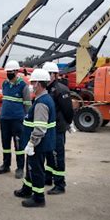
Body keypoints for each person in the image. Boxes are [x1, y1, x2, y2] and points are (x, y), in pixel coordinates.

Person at [13, 69, 56, 208]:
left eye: (32, 82)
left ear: (38, 84)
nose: (31, 85)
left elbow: (39, 128)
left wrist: (32, 143)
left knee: (36, 169)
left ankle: (38, 198)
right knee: (30, 166)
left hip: (38, 144)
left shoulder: (41, 103)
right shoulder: (42, 99)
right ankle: (27, 189)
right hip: (39, 143)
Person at [0, 60, 31, 179]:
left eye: (10, 72)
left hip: (17, 120)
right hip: (5, 119)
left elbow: (27, 104)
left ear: (16, 71)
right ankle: (6, 165)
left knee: (19, 145)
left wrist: (26, 119)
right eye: (7, 72)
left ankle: (20, 168)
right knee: (5, 143)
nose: (8, 74)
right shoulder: (5, 84)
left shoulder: (23, 86)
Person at [42, 62, 74, 195]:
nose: (48, 77)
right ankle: (48, 178)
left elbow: (68, 110)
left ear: (55, 75)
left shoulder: (61, 90)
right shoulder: (47, 89)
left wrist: (68, 124)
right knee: (49, 154)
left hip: (58, 128)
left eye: (50, 74)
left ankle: (60, 184)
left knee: (57, 156)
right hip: (49, 128)